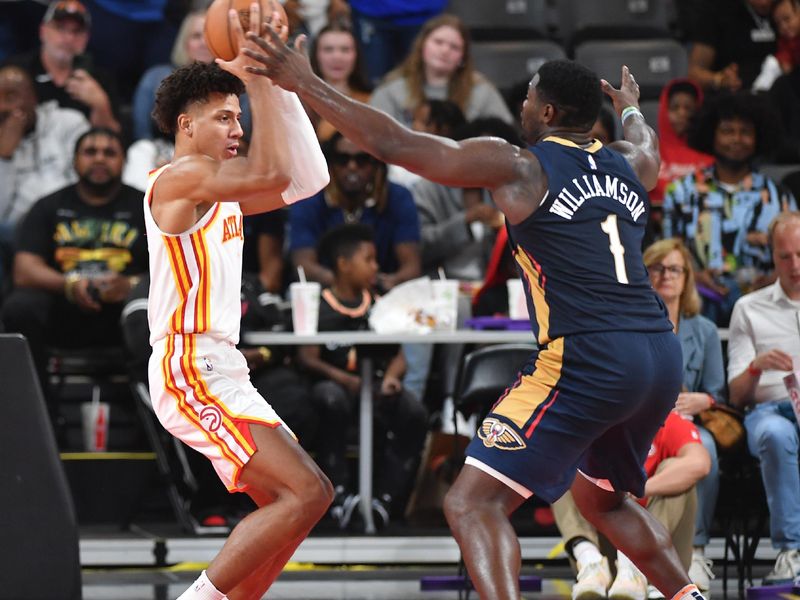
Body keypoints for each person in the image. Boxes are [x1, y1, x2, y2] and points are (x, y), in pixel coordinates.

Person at [245, 31, 709, 600]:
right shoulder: (629, 165)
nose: (521, 108)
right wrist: (632, 105)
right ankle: (689, 596)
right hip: (659, 355)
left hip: (589, 354)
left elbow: (395, 144)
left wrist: (305, 82)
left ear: (547, 111)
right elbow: (649, 145)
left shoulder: (520, 166)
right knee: (601, 499)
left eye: (528, 98)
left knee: (471, 501)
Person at [145, 7, 332, 599]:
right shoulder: (177, 180)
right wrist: (257, 77)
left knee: (301, 500)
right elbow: (275, 168)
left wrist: (275, 86)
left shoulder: (221, 188)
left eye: (238, 118)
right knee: (304, 492)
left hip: (222, 366)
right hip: (188, 366)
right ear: (185, 124)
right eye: (224, 118)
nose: (237, 128)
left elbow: (307, 177)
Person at [1, 127, 147, 414]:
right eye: (90, 152)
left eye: (110, 152)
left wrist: (130, 285)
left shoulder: (146, 207)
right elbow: (25, 270)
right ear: (75, 161)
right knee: (20, 306)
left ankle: (157, 415)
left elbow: (173, 268)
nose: (100, 159)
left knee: (153, 306)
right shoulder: (48, 206)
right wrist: (69, 284)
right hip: (64, 311)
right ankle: (35, 410)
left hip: (123, 315)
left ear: (123, 162)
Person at [295, 223, 428, 528]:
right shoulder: (319, 306)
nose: (376, 267)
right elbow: (307, 358)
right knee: (330, 400)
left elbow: (398, 356)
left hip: (377, 386)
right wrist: (346, 380)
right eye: (368, 259)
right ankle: (338, 497)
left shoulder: (380, 304)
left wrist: (393, 377)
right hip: (336, 388)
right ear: (343, 264)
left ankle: (385, 500)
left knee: (413, 412)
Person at [662, 91, 796, 326]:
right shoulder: (681, 192)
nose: (736, 139)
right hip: (698, 302)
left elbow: (796, 251)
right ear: (711, 135)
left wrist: (774, 280)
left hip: (764, 305)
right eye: (727, 131)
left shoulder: (779, 198)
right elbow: (668, 249)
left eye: (745, 132)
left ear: (758, 138)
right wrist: (693, 275)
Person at [554, 411, 710, 600]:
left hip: (663, 557)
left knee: (677, 472)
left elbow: (699, 464)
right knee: (566, 468)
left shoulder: (669, 420)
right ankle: (590, 563)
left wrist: (640, 489)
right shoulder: (595, 418)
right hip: (607, 551)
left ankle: (636, 569)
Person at [643, 238, 726, 594]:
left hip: (687, 422)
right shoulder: (632, 323)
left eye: (674, 269)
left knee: (704, 447)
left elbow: (719, 393)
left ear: (687, 277)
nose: (666, 276)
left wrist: (700, 400)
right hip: (642, 419)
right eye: (658, 268)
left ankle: (698, 550)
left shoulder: (704, 330)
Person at [727, 211, 800, 585]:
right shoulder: (749, 308)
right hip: (768, 410)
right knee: (776, 433)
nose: (795, 265)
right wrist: (756, 366)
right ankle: (790, 553)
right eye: (785, 256)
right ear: (772, 256)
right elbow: (737, 397)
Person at [289, 131, 421, 292]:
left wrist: (383, 282)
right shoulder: (308, 200)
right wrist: (352, 283)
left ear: (375, 165)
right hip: (326, 295)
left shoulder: (397, 197)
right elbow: (304, 267)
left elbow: (411, 266)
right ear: (330, 165)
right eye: (342, 160)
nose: (352, 166)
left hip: (385, 294)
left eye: (362, 160)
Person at [0, 64, 89, 288]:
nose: (2, 106)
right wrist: (5, 157)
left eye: (11, 96)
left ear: (32, 97)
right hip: (17, 231)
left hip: (70, 219)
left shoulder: (68, 122)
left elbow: (86, 180)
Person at [369, 14, 513, 128]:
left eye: (454, 47)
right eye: (438, 42)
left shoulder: (482, 91)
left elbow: (505, 136)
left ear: (463, 57)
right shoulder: (392, 88)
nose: (445, 51)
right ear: (422, 46)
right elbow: (372, 133)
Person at [4, 0, 121, 131]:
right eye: (60, 28)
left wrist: (100, 105)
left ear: (86, 38)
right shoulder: (16, 72)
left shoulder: (101, 80)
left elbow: (115, 143)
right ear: (43, 31)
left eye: (77, 31)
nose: (68, 38)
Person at [687, 0, 777, 93]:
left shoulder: (785, 7)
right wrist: (719, 79)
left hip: (781, 98)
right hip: (734, 98)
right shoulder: (717, 10)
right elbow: (694, 74)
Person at [308, 22, 371, 142]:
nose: (337, 57)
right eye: (328, 49)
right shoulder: (302, 101)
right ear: (316, 55)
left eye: (345, 50)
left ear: (356, 55)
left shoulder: (371, 101)